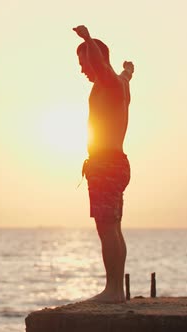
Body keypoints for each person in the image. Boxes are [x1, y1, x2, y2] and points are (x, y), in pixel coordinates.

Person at [73, 25, 134, 303]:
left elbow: (102, 65)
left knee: (107, 227)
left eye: (83, 62)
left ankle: (112, 291)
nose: (83, 69)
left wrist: (88, 40)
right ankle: (116, 290)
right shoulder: (120, 83)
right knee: (113, 226)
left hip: (107, 166)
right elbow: (125, 74)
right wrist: (129, 69)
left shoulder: (107, 84)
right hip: (115, 164)